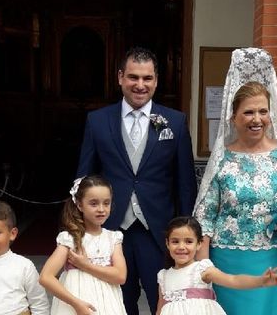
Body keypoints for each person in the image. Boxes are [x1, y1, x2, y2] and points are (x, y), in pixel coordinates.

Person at [193, 47, 277, 315]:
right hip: (227, 260)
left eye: (263, 111)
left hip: (275, 255)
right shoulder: (222, 161)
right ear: (233, 117)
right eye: (248, 112)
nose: (257, 119)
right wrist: (203, 270)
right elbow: (204, 218)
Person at [77, 46, 197, 315]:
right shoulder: (97, 121)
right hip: (109, 229)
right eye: (133, 77)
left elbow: (185, 182)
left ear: (156, 80)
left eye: (147, 78)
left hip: (158, 229)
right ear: (120, 77)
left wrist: (187, 229)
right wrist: (81, 227)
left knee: (164, 299)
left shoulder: (174, 122)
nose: (140, 85)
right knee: (116, 301)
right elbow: (84, 178)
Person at [156, 216, 277, 315]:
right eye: (175, 241)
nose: (181, 247)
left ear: (199, 244)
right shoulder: (164, 276)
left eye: (189, 241)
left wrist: (260, 281)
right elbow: (160, 309)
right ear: (167, 244)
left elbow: (233, 280)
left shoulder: (202, 269)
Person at [39, 175, 127, 315]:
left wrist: (85, 265)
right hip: (76, 304)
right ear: (80, 205)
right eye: (93, 203)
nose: (101, 209)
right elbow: (46, 277)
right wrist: (76, 304)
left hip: (107, 303)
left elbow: (120, 276)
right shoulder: (70, 239)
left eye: (106, 203)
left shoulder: (113, 238)